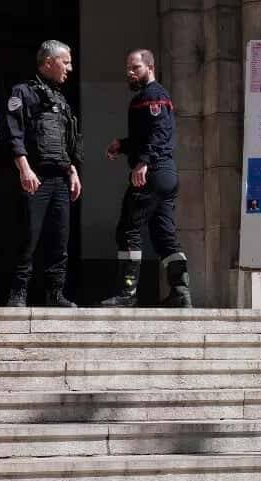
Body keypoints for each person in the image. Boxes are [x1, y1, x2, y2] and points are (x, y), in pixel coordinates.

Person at [99, 49, 192, 308]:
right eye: (128, 68)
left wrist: (143, 162)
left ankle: (126, 293)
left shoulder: (153, 95)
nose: (130, 72)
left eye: (136, 67)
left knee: (128, 228)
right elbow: (149, 135)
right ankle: (181, 292)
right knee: (164, 234)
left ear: (150, 67)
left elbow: (160, 133)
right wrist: (124, 145)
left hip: (153, 172)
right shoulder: (150, 96)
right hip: (166, 174)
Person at [3, 39, 84, 308]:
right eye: (66, 61)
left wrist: (72, 171)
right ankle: (18, 293)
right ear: (49, 62)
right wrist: (24, 169)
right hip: (35, 177)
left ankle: (55, 293)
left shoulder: (61, 98)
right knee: (29, 236)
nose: (70, 68)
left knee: (60, 239)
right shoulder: (22, 92)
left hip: (61, 178)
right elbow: (14, 134)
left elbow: (67, 141)